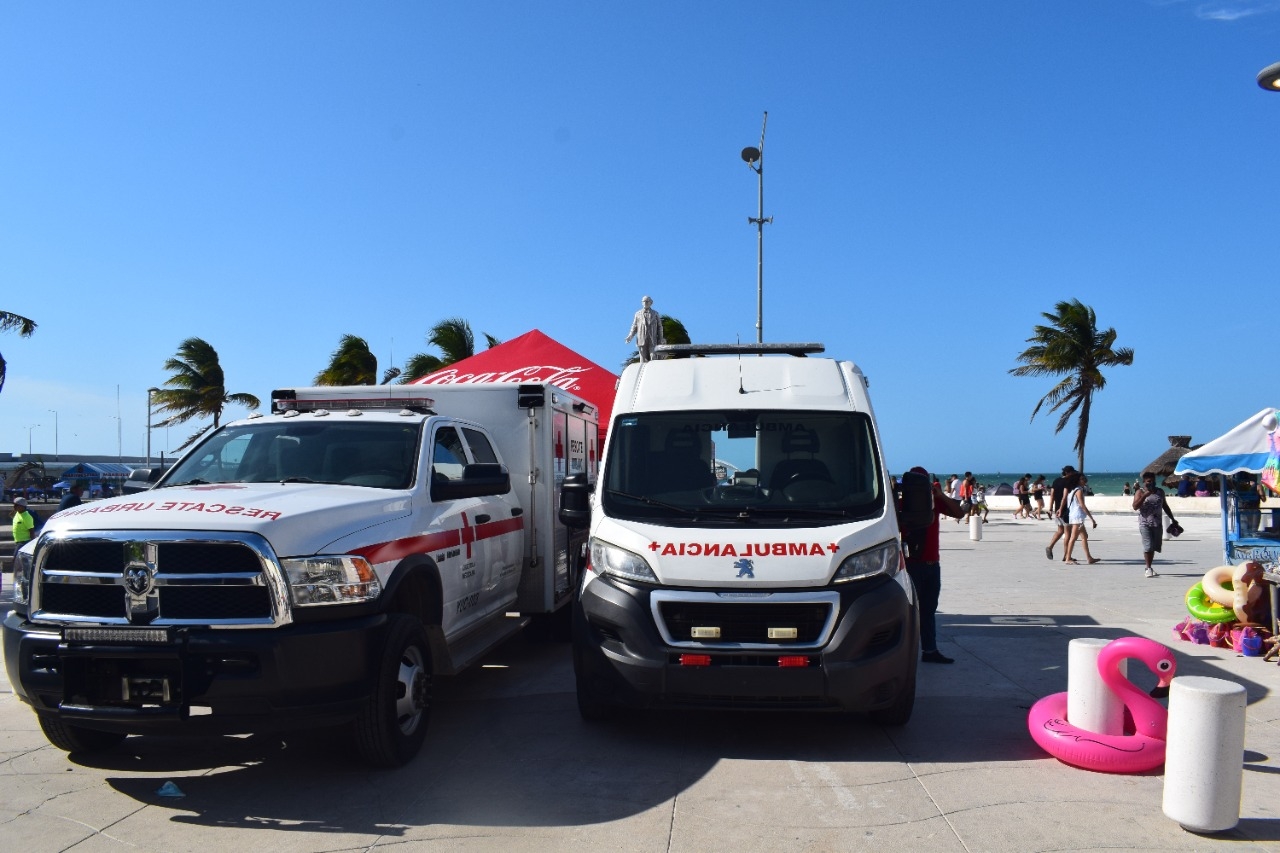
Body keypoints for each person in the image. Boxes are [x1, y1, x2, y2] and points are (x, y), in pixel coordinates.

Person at [900, 466, 965, 664]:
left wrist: (941, 495)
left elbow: (959, 513)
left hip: (931, 564)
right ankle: (906, 653)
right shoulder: (901, 505)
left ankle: (929, 650)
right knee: (910, 612)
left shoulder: (934, 503)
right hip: (911, 564)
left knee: (928, 610)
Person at [1133, 471, 1177, 577]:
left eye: (1153, 481)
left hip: (1157, 523)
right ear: (1144, 482)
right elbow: (1135, 506)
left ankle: (1150, 567)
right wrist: (1145, 495)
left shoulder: (1160, 492)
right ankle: (1148, 568)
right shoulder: (1140, 492)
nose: (1151, 483)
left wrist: (1172, 518)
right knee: (1148, 546)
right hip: (1145, 523)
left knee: (1154, 546)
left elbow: (1165, 506)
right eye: (1148, 481)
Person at [1062, 473, 1100, 564]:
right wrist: (1092, 519)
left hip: (1074, 516)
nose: (1085, 481)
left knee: (1084, 536)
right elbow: (1082, 505)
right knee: (1073, 537)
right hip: (1077, 517)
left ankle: (1089, 557)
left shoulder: (1072, 490)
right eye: (1083, 479)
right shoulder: (1078, 490)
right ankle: (1068, 559)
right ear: (1078, 481)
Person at [1045, 465, 1076, 560]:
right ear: (1068, 473)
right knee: (1068, 533)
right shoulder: (1068, 482)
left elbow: (1052, 495)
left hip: (1057, 508)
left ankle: (1050, 546)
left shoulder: (1056, 481)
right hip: (1065, 509)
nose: (1073, 474)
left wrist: (1050, 508)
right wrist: (1061, 509)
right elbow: (1065, 497)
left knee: (1060, 530)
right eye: (1072, 472)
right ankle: (1067, 556)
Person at [624, 295, 665, 362]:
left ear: (651, 303)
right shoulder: (637, 314)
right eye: (643, 301)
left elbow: (660, 327)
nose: (645, 303)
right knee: (642, 358)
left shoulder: (655, 313)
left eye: (647, 301)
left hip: (652, 339)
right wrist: (630, 336)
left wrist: (660, 338)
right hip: (641, 338)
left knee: (653, 356)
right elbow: (634, 326)